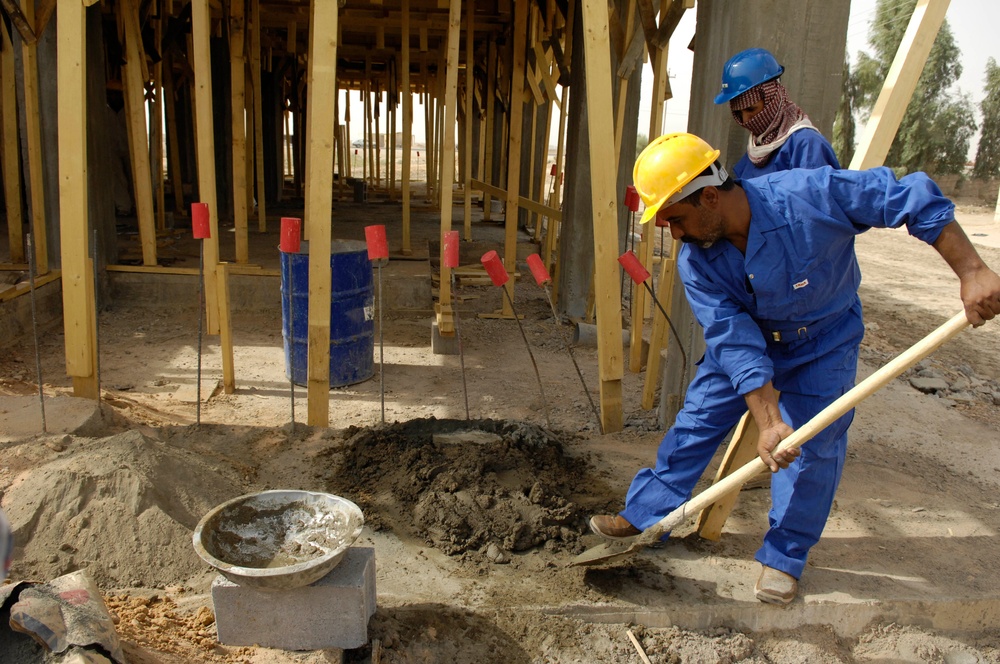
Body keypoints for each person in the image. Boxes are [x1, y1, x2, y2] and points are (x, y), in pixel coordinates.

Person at [591, 133, 1000, 604]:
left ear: (708, 196)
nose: (675, 234)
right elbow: (733, 338)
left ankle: (783, 557)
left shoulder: (810, 195)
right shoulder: (697, 261)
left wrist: (971, 271)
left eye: (676, 219)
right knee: (697, 421)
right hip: (754, 339)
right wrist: (768, 422)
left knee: (812, 446)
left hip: (823, 340)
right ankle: (647, 516)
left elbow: (908, 196)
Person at [714, 47, 840, 178]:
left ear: (773, 99)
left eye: (751, 109)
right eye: (739, 114)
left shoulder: (807, 146)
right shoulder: (756, 150)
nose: (746, 120)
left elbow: (815, 195)